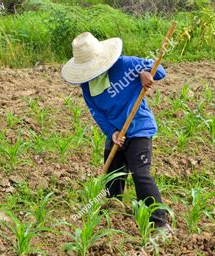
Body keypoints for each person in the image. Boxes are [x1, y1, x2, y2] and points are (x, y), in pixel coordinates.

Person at [61, 32, 170, 230]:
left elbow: (159, 70)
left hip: (138, 128)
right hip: (115, 132)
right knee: (113, 176)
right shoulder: (87, 84)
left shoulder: (126, 64)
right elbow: (97, 112)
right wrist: (111, 132)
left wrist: (144, 74)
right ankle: (113, 211)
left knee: (140, 174)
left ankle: (159, 223)